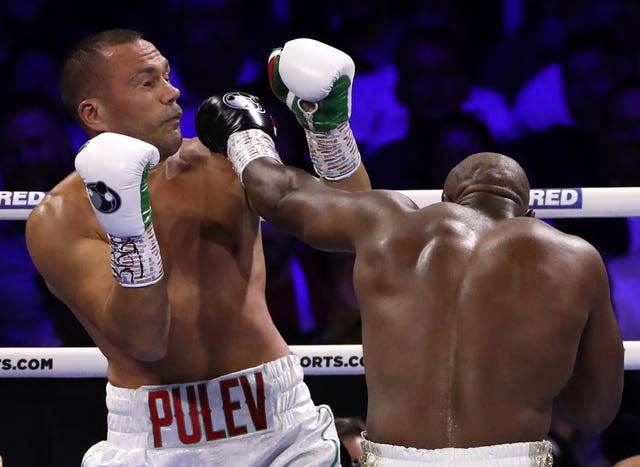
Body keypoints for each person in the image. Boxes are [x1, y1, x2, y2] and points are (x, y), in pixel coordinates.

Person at [197, 97, 624, 465]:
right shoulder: (575, 258)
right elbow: (594, 412)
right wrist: (529, 377)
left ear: (446, 200)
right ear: (528, 214)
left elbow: (280, 196)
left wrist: (244, 132)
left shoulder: (390, 224)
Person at [25, 29, 370, 465]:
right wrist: (130, 225)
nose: (173, 93)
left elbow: (350, 227)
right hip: (155, 439)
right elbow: (146, 341)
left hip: (281, 426)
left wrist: (329, 127)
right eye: (147, 82)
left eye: (167, 76)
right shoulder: (59, 219)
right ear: (93, 112)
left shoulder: (223, 160)